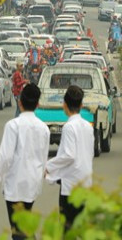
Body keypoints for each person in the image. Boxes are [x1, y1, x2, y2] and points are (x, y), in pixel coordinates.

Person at [0, 83, 50, 240]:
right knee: (25, 226)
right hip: (33, 184)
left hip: (15, 184)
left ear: (20, 102)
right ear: (37, 104)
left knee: (18, 230)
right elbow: (44, 158)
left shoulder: (13, 125)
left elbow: (5, 157)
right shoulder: (44, 128)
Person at [45, 85, 94, 232]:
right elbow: (89, 153)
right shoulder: (88, 127)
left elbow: (68, 155)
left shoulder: (69, 127)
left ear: (64, 105)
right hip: (85, 182)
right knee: (82, 228)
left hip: (71, 186)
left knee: (67, 229)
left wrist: (47, 166)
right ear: (81, 105)